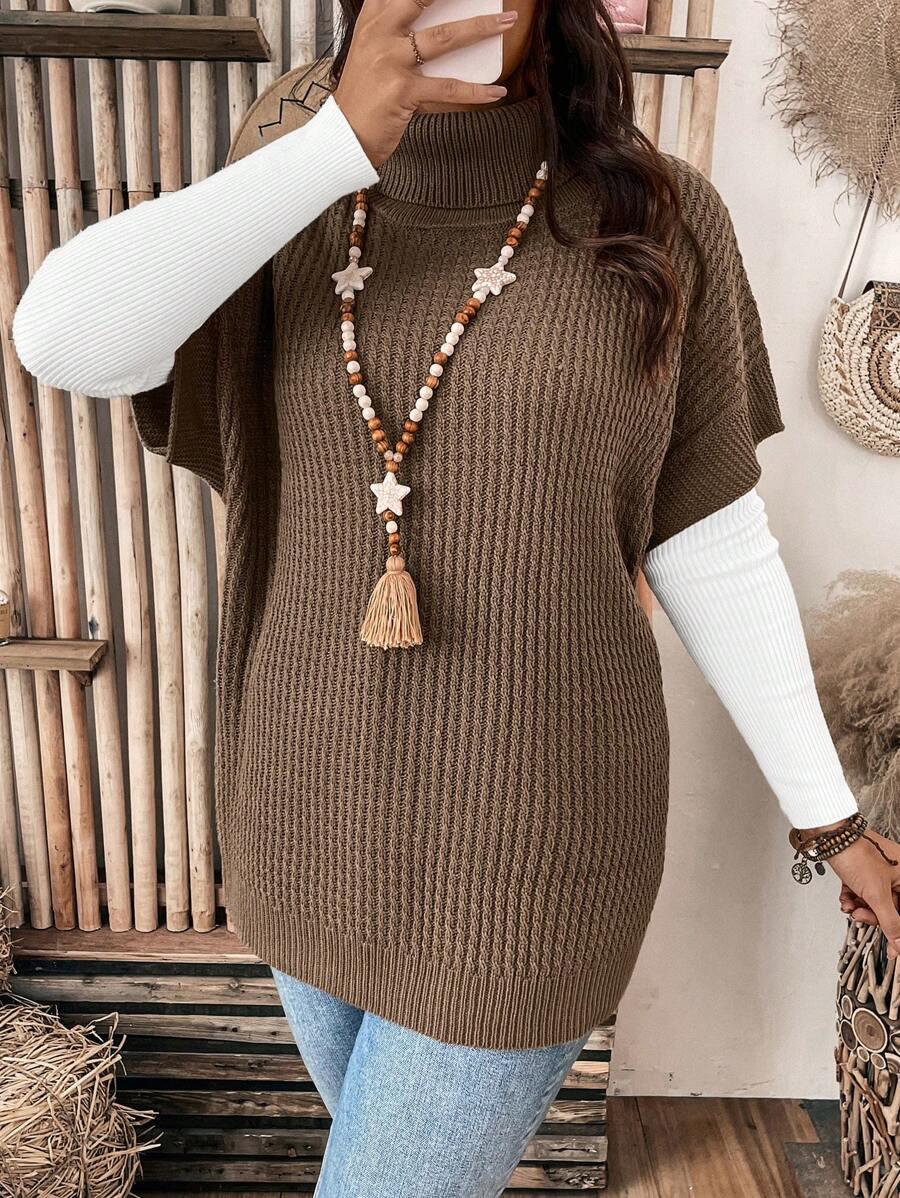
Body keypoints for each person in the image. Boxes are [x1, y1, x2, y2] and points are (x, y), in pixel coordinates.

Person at [12, 1, 900, 1193]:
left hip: (533, 845)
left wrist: (828, 817)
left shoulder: (659, 214)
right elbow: (63, 338)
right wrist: (336, 145)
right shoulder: (291, 166)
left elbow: (710, 538)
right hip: (303, 815)